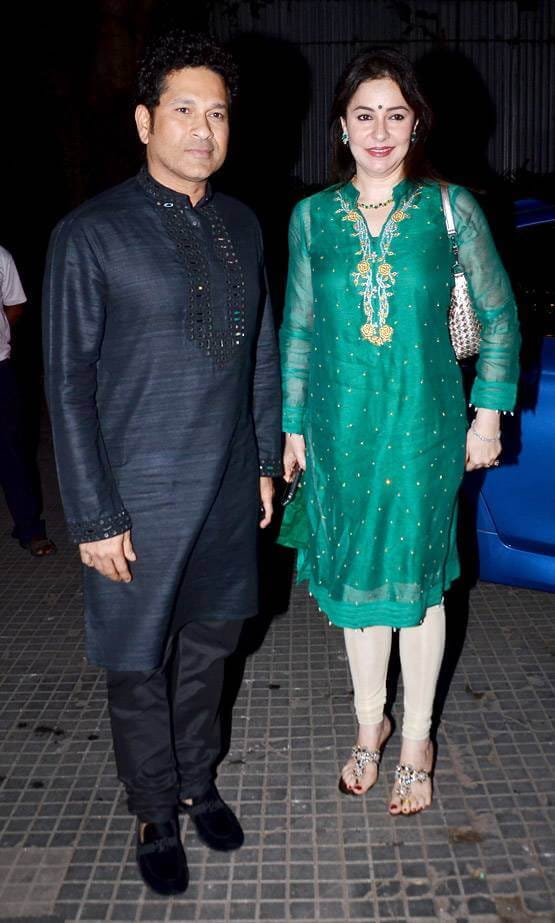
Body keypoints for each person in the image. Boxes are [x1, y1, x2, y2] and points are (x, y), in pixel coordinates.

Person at [43, 30, 281, 896]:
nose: (201, 129)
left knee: (212, 645)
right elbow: (64, 383)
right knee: (138, 660)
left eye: (216, 113)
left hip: (224, 489)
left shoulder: (244, 225)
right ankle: (152, 807)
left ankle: (196, 778)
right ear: (145, 121)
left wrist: (261, 460)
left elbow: (259, 350)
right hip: (136, 495)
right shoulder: (90, 233)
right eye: (182, 110)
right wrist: (94, 515)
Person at [279, 48, 520, 816]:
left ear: (414, 123)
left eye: (394, 113)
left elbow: (498, 315)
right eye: (362, 114)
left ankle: (415, 736)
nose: (378, 129)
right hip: (338, 427)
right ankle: (368, 723)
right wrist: (290, 427)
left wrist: (487, 412)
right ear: (340, 127)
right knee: (356, 580)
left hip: (423, 426)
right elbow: (298, 329)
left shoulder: (449, 209)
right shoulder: (311, 216)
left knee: (415, 587)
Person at [0, 246, 56, 557]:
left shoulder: (1, 256)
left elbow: (16, 305)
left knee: (12, 453)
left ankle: (30, 529)